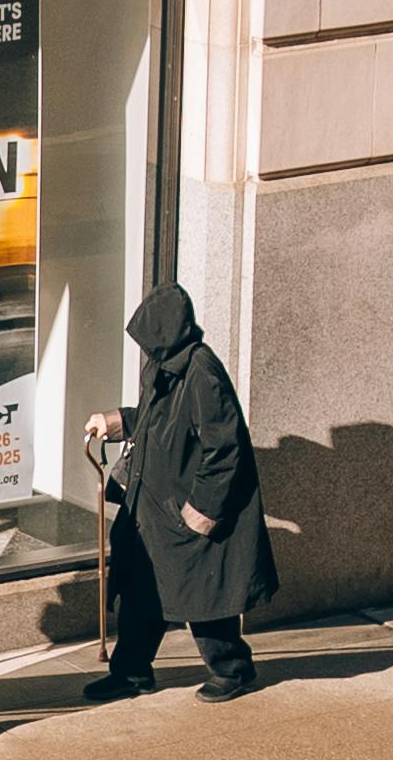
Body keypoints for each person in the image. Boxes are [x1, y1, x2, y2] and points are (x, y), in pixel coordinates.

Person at [82, 282, 277, 703]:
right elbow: (156, 420)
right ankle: (131, 672)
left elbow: (225, 450)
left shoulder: (203, 373)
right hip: (154, 506)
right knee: (140, 589)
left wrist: (199, 513)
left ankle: (233, 669)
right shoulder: (164, 365)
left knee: (201, 596)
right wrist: (115, 421)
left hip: (183, 509)